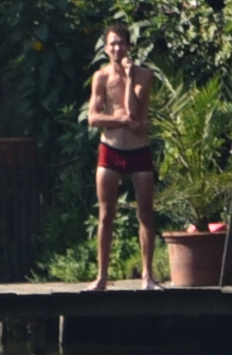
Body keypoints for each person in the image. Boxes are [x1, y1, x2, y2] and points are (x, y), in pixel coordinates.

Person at [86, 22, 159, 292]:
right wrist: (121, 121)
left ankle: (147, 276)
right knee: (106, 215)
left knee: (145, 214)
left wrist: (128, 78)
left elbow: (135, 112)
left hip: (139, 151)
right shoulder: (101, 77)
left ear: (129, 46)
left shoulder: (144, 75)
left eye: (121, 43)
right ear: (106, 48)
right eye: (112, 43)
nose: (117, 48)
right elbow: (93, 118)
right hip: (111, 150)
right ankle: (102, 277)